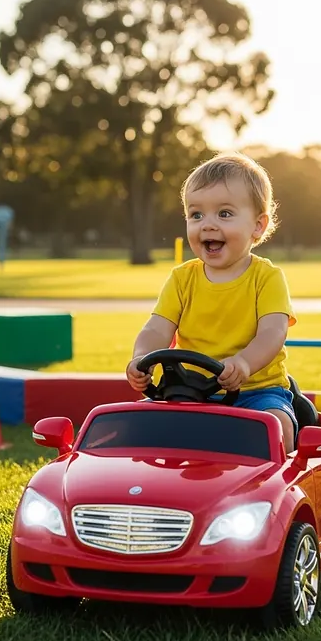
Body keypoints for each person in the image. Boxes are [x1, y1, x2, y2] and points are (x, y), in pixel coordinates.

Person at [125, 152, 298, 453]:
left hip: (255, 391)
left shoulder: (267, 278)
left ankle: (273, 484)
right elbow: (157, 328)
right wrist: (141, 357)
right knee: (137, 423)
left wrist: (243, 363)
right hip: (186, 390)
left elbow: (273, 332)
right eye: (196, 215)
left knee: (275, 424)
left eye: (225, 214)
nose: (207, 225)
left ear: (258, 226)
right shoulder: (182, 279)